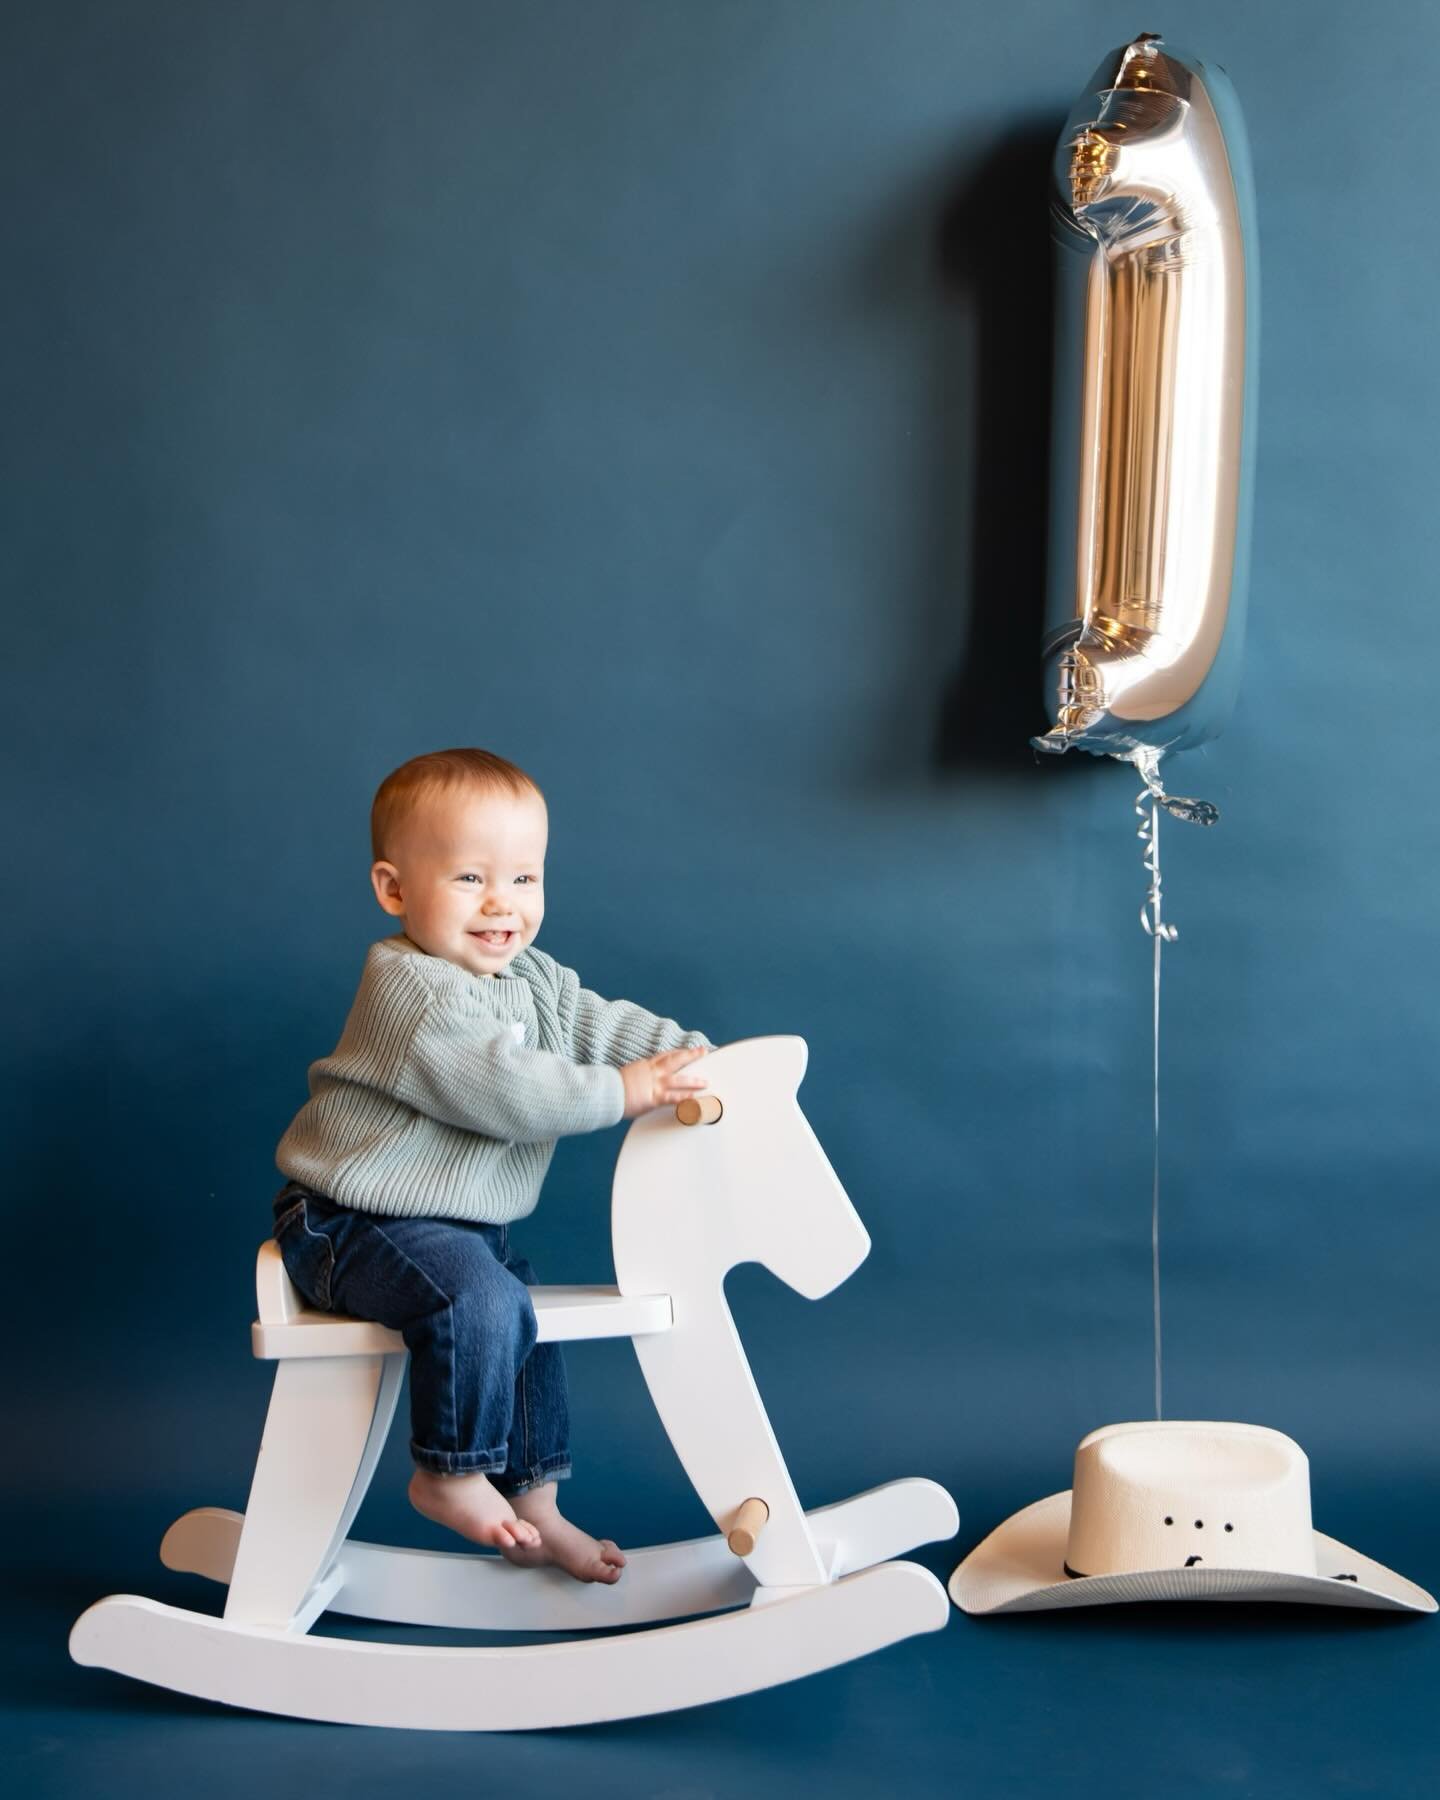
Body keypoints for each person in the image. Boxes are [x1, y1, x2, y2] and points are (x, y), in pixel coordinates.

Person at [271, 747, 710, 1584]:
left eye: (525, 880)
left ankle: (536, 1502)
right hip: (346, 1222)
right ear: (395, 890)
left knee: (523, 1321)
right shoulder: (412, 988)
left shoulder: (530, 975)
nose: (502, 905)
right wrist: (626, 1093)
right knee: (484, 1300)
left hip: (448, 1227)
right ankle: (448, 1470)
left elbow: (596, 1023)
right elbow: (505, 1089)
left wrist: (688, 1058)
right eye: (470, 879)